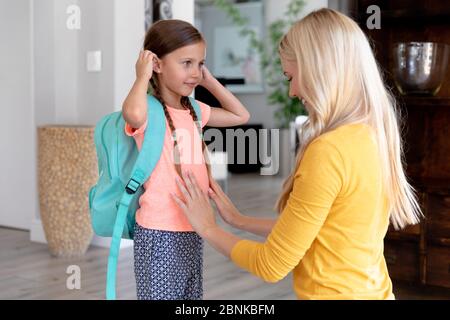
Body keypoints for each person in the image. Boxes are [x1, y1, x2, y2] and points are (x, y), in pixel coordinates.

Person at [171, 8, 423, 300]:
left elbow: (271, 264)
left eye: (291, 76)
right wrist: (238, 220)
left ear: (319, 70)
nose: (292, 91)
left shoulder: (329, 151)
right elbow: (317, 230)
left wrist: (208, 228)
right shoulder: (370, 134)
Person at [122, 19, 250, 300]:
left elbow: (241, 116)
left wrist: (209, 80)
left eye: (200, 64)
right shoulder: (149, 111)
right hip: (159, 231)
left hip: (193, 225)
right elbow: (131, 113)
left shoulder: (193, 109)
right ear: (157, 64)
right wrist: (141, 76)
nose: (194, 73)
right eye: (186, 63)